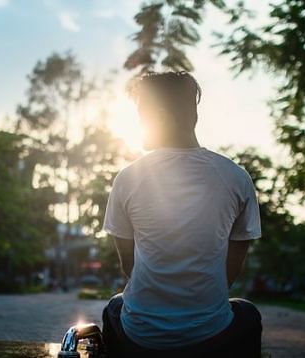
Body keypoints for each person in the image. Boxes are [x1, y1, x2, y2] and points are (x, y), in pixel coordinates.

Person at [101, 71, 263, 357]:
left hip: (140, 336)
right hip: (210, 335)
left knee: (114, 307)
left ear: (160, 116)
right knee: (247, 313)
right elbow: (232, 267)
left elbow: (129, 265)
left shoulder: (127, 178)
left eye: (142, 114)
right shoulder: (236, 177)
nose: (138, 123)